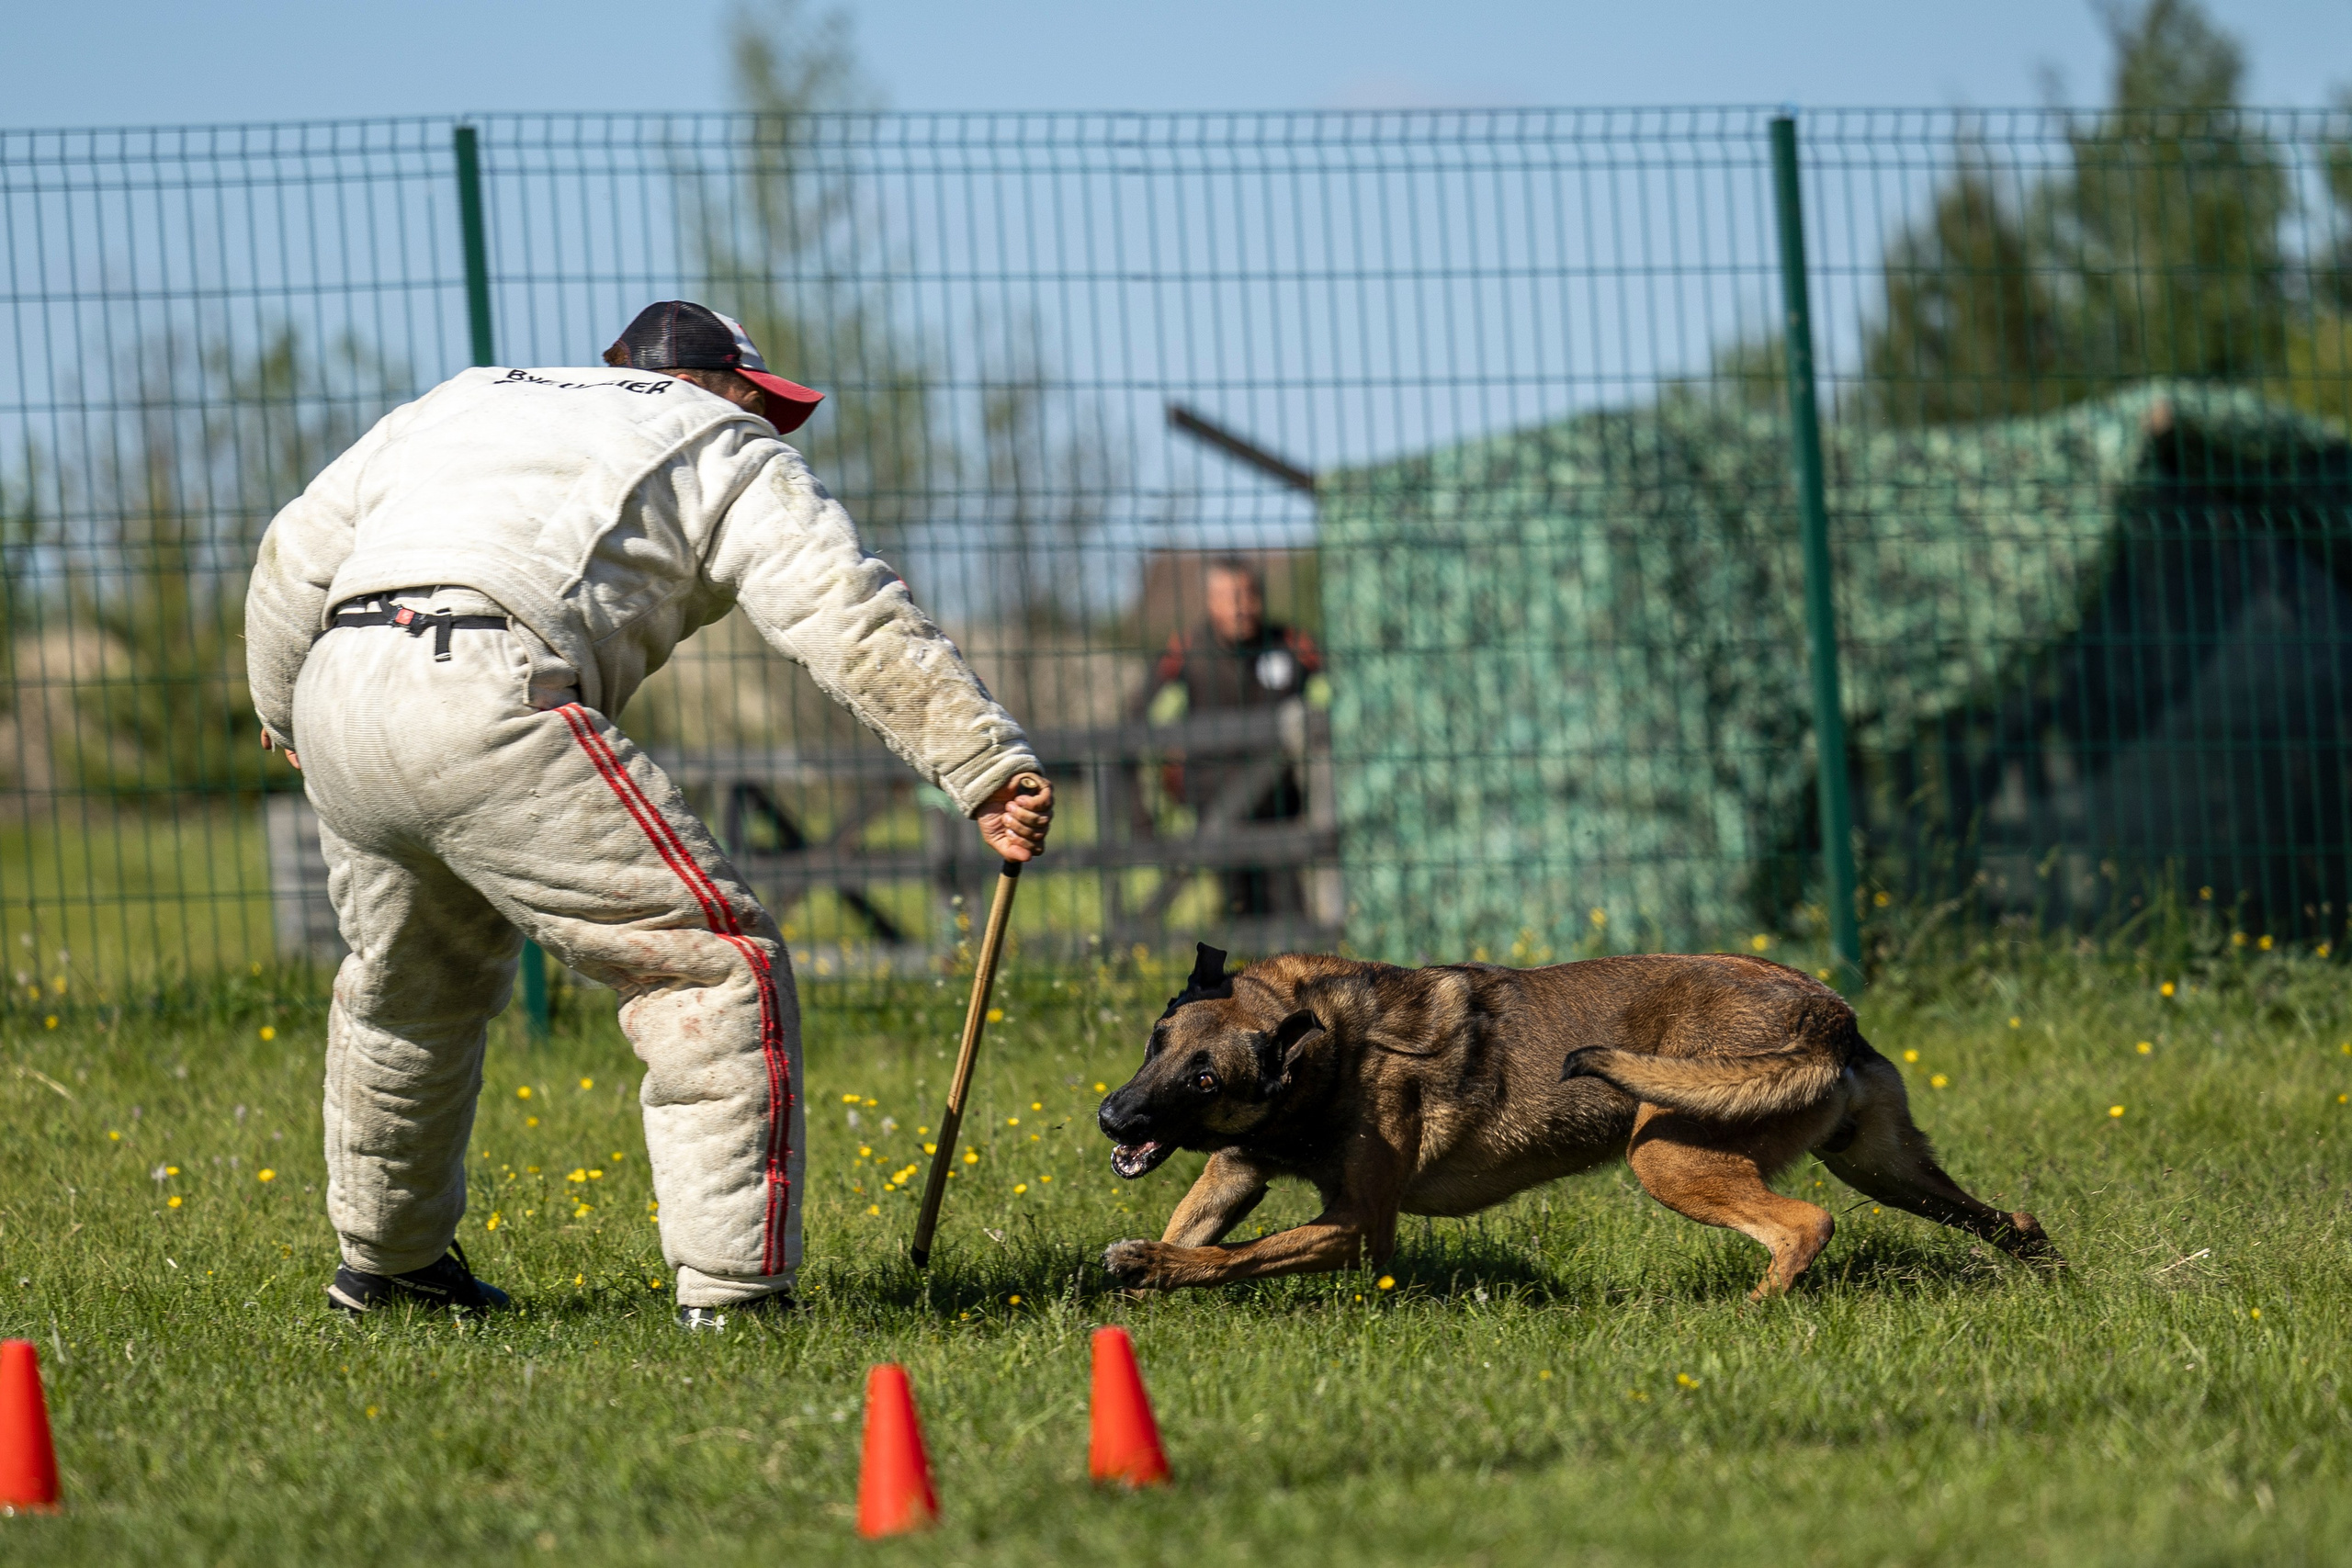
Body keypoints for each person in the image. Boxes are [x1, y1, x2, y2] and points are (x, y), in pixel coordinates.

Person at [245, 300, 1052, 1330]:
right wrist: (982, 762)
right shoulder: (717, 440)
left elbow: (292, 554)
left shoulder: (460, 398)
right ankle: (734, 1296)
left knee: (407, 991)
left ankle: (391, 1268)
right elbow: (844, 607)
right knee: (715, 966)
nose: (767, 419)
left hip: (342, 676)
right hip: (488, 678)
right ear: (721, 381)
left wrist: (283, 709)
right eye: (762, 400)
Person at [1139, 558, 1322, 917]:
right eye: (1228, 596)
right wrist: (1143, 812)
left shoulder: (1293, 645)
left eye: (1248, 594)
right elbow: (1137, 722)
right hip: (1213, 807)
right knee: (1239, 907)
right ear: (1209, 601)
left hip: (1281, 808)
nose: (1240, 606)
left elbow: (1334, 704)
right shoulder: (1185, 652)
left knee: (1290, 910)